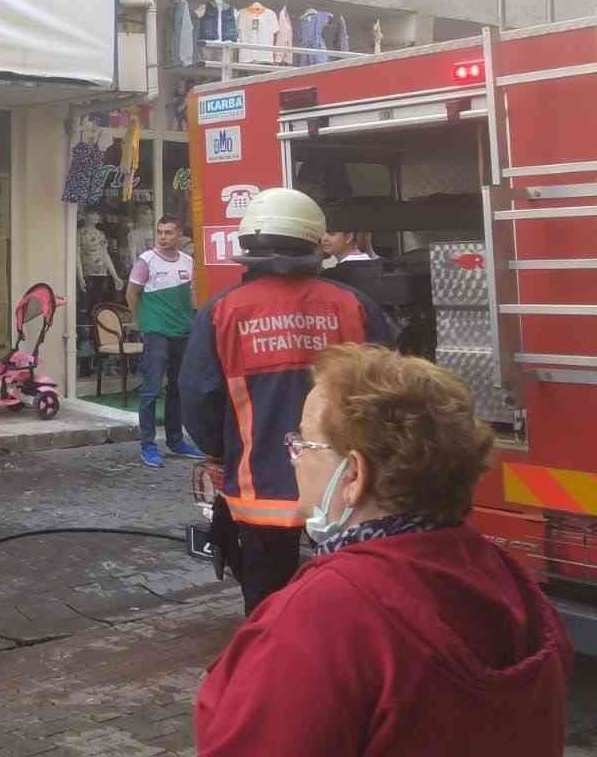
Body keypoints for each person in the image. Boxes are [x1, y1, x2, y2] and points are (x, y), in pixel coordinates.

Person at [194, 345, 571, 755]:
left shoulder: (323, 618)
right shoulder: (501, 574)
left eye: (304, 442)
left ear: (354, 473)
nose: (295, 459)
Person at [179, 187, 392, 613]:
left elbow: (198, 396)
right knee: (347, 601)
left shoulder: (222, 311)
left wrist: (221, 452)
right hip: (344, 490)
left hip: (259, 491)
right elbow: (390, 392)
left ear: (247, 242)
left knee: (267, 608)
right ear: (314, 240)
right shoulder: (354, 305)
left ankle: (276, 671)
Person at [125, 215, 206, 468]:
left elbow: (191, 296)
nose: (163, 237)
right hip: (156, 332)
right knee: (151, 389)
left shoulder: (188, 261)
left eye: (169, 232)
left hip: (182, 331)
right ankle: (148, 445)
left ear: (180, 234)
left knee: (178, 388)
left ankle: (175, 440)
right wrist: (141, 322)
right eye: (160, 232)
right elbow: (131, 293)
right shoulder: (146, 261)